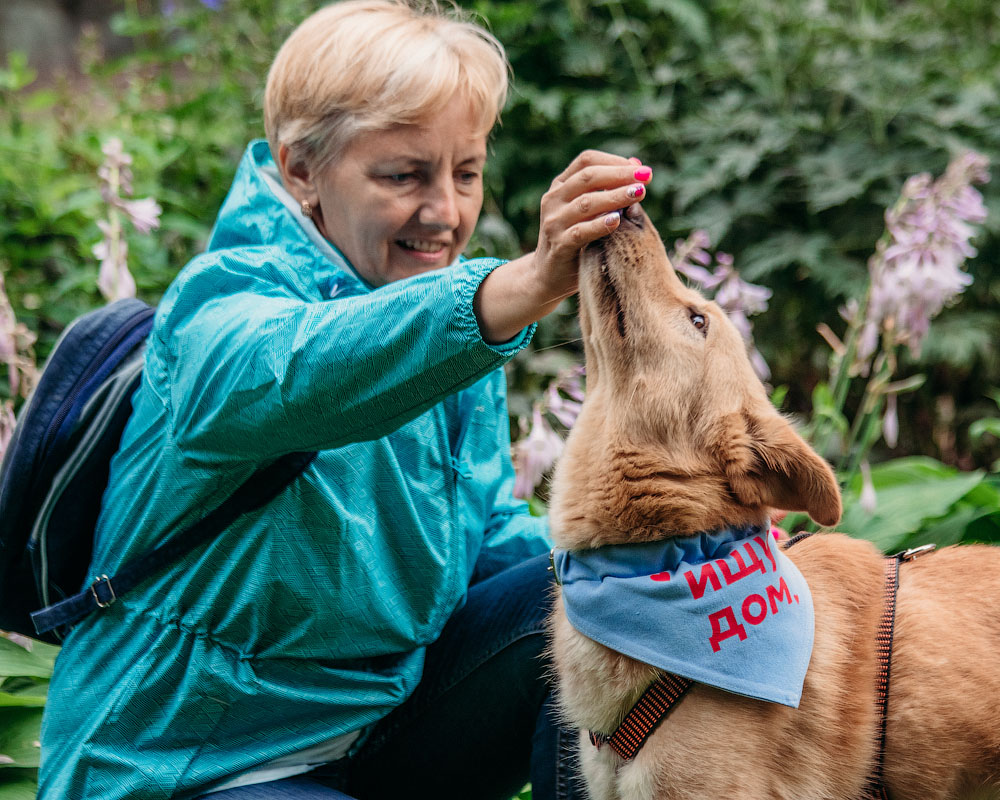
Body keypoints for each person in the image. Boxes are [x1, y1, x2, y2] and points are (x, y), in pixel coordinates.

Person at [36, 2, 651, 798]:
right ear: (301, 170)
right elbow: (302, 371)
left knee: (608, 593)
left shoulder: (449, 320)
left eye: (465, 172)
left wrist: (674, 550)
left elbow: (486, 542)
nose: (446, 213)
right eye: (403, 175)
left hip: (381, 730)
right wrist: (521, 286)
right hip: (187, 759)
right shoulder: (219, 307)